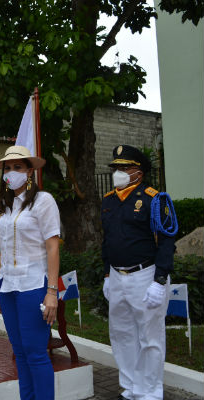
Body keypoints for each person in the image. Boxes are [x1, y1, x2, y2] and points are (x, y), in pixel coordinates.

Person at [101, 145, 176, 400]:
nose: (119, 172)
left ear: (138, 172)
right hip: (117, 275)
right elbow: (107, 240)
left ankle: (151, 391)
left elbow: (167, 241)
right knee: (121, 334)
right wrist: (107, 276)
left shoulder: (154, 199)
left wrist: (160, 280)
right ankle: (131, 387)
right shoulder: (109, 200)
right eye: (116, 168)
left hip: (146, 275)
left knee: (150, 337)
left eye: (125, 167)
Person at [0, 145, 60, 400]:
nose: (11, 172)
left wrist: (52, 292)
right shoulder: (5, 207)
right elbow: (4, 250)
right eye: (8, 168)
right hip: (9, 287)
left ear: (30, 171)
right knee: (19, 352)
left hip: (33, 285)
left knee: (36, 352)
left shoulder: (43, 201)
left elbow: (52, 247)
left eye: (18, 167)